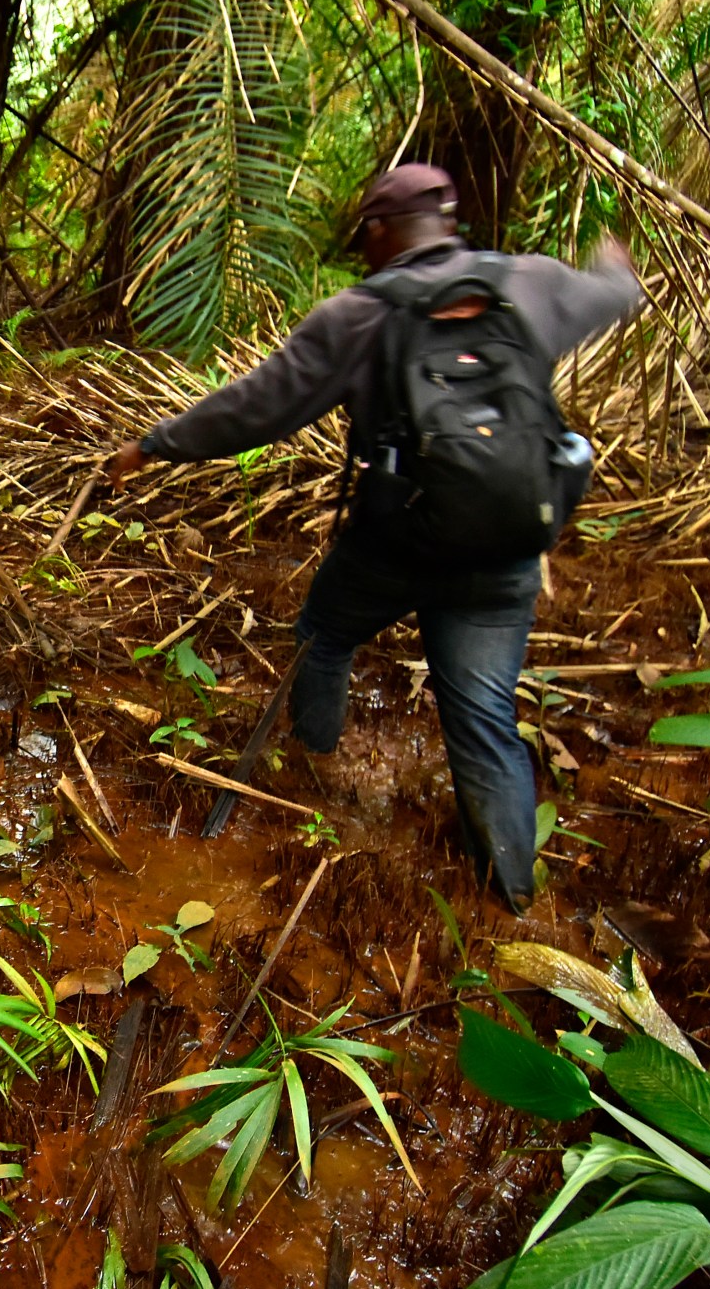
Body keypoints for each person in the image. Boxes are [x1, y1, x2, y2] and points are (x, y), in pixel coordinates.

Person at [107, 162, 643, 913]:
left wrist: (154, 444)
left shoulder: (358, 316)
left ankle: (310, 770)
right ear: (449, 223)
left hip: (394, 548)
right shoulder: (533, 284)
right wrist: (612, 265)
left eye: (365, 234)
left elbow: (255, 410)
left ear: (383, 232)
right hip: (507, 552)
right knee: (484, 713)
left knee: (325, 635)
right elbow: (620, 291)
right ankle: (513, 902)